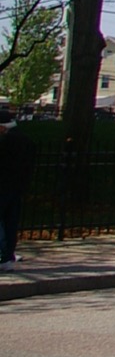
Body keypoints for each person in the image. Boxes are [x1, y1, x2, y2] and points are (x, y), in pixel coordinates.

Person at [0, 108, 34, 266]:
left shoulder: (5, 141)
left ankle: (3, 255)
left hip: (3, 186)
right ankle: (8, 256)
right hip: (17, 187)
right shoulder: (26, 140)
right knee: (11, 222)